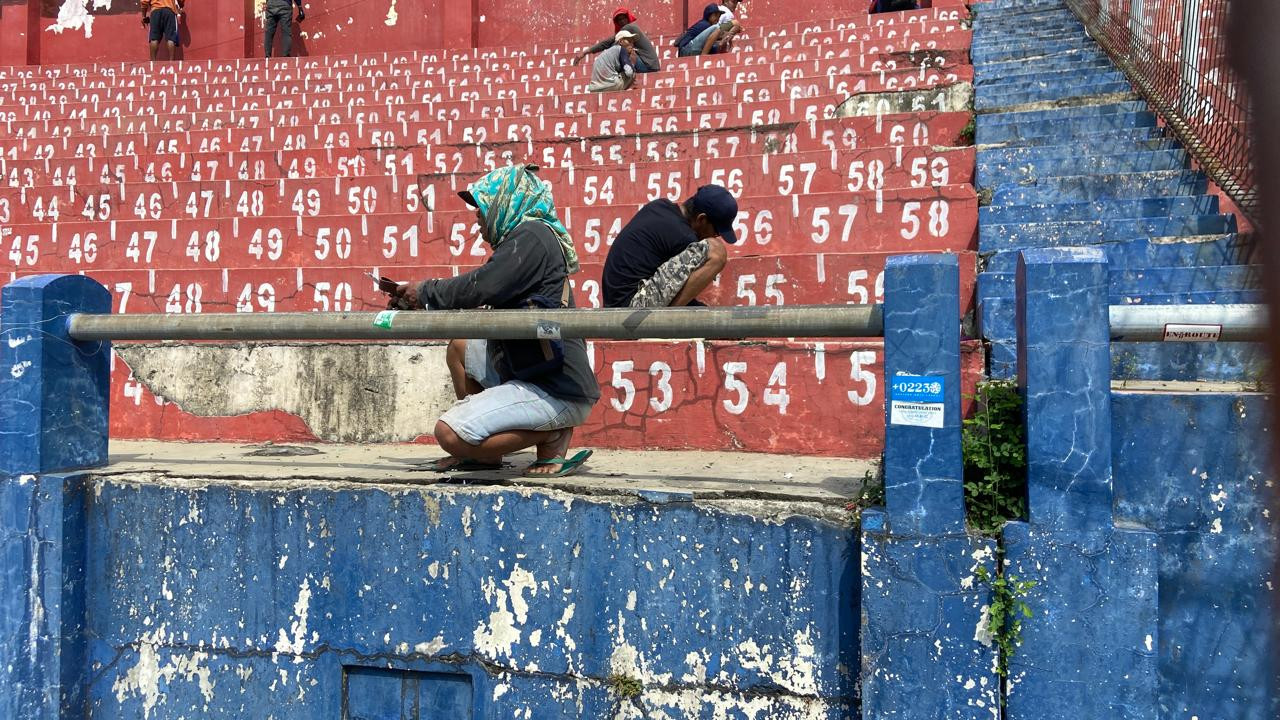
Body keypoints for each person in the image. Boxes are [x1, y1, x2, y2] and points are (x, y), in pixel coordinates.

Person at [385, 165, 600, 478]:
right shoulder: (525, 239)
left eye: (483, 206)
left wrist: (426, 292)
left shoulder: (533, 236)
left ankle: (550, 434)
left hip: (558, 388)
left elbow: (483, 285)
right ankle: (485, 455)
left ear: (505, 202)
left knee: (449, 435)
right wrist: (421, 299)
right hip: (533, 370)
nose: (477, 215)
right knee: (460, 347)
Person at [601, 185, 737, 308]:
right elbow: (677, 294)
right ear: (701, 219)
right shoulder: (684, 237)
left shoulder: (660, 206)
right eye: (716, 231)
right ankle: (668, 319)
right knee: (716, 252)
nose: (715, 236)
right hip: (632, 308)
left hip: (620, 303)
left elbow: (671, 288)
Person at [573, 6, 661, 73]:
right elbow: (609, 43)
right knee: (618, 47)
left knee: (619, 49)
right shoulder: (627, 30)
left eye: (624, 18)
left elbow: (608, 43)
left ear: (628, 18)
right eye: (619, 20)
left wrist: (585, 52)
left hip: (647, 65)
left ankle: (624, 77)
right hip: (649, 65)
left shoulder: (630, 27)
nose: (622, 21)